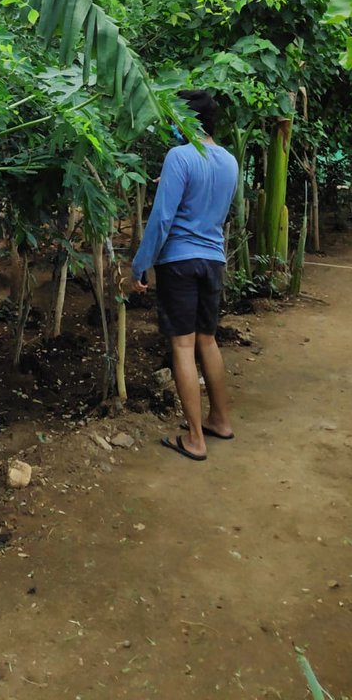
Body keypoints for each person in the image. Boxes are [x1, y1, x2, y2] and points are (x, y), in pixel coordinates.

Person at [127, 90, 239, 461]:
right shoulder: (229, 161)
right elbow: (211, 206)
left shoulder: (179, 156)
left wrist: (141, 262)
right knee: (208, 340)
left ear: (188, 121)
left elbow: (162, 219)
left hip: (178, 261)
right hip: (213, 260)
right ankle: (219, 420)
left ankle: (194, 438)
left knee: (183, 347)